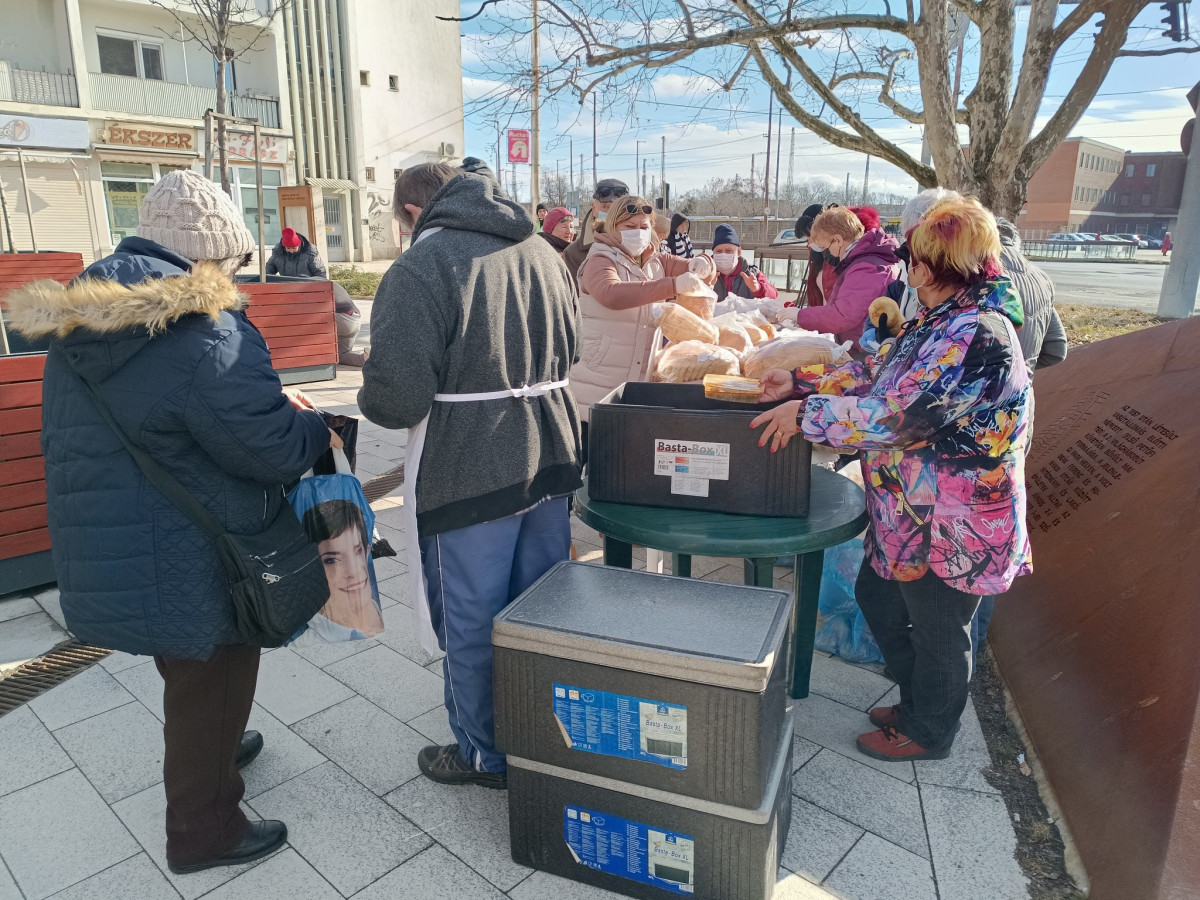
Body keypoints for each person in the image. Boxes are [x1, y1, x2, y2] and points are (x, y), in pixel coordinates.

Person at [7, 170, 335, 872]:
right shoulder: (203, 329)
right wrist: (316, 431)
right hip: (196, 541)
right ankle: (203, 829)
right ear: (209, 255)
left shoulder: (85, 314)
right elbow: (266, 446)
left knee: (186, 665)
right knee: (216, 662)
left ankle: (215, 744)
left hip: (123, 532)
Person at [751, 196, 1032, 761]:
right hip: (910, 508)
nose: (908, 269)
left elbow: (903, 416)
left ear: (935, 267)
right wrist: (804, 385)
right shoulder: (937, 318)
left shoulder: (978, 334)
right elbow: (875, 373)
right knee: (880, 598)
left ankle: (930, 729)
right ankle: (918, 701)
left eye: (916, 260)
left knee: (938, 630)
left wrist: (807, 417)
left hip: (957, 520)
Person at [359, 163, 582, 789]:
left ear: (410, 213)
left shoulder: (421, 268)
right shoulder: (543, 251)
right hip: (553, 457)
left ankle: (485, 754)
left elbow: (396, 400)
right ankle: (543, 737)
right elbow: (575, 350)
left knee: (474, 620)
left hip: (469, 469)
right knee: (538, 615)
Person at [570, 195, 716, 459]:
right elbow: (611, 293)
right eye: (629, 227)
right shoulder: (600, 259)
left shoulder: (655, 260)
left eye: (643, 226)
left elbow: (693, 268)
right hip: (597, 383)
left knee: (620, 464)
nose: (638, 232)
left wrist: (705, 263)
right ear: (613, 228)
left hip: (635, 380)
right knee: (591, 460)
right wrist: (672, 285)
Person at [781, 206, 900, 354]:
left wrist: (800, 316)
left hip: (867, 350)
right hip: (860, 345)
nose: (828, 253)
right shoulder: (862, 262)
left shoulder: (866, 268)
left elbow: (844, 315)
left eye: (826, 247)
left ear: (838, 240)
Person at [302, 500, 384, 638]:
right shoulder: (306, 636)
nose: (353, 571)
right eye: (332, 560)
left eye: (358, 551)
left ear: (367, 551)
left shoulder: (376, 613)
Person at [995, 218, 1067, 373]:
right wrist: (1022, 370)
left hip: (970, 394)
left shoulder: (965, 273)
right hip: (1024, 392)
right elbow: (1057, 350)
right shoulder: (1041, 278)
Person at [563, 177, 630, 280]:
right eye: (605, 207)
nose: (611, 214)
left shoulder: (643, 245)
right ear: (594, 208)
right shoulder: (573, 254)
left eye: (617, 209)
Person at [710, 223, 778, 303]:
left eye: (728, 251)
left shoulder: (752, 273)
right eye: (719, 251)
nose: (723, 255)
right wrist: (705, 285)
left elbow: (774, 295)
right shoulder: (706, 274)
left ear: (738, 252)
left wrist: (758, 288)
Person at [794, 203, 829, 308]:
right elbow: (815, 290)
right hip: (820, 319)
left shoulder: (839, 258)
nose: (809, 242)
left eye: (811, 236)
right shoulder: (816, 255)